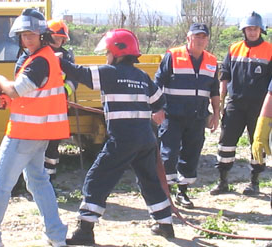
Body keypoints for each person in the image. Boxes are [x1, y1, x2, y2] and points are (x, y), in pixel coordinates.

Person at [59, 28, 174, 245]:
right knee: (149, 180)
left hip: (122, 139)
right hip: (146, 139)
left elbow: (80, 74)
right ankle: (165, 224)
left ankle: (85, 230)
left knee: (97, 179)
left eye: (107, 53)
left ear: (118, 52)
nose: (106, 57)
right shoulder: (142, 76)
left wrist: (59, 62)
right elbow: (158, 102)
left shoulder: (109, 72)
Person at [0, 9, 69, 247]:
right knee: (38, 182)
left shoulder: (39, 60)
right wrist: (8, 97)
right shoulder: (43, 58)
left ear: (41, 35)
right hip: (38, 134)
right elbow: (28, 95)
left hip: (23, 134)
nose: (27, 38)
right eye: (23, 34)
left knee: (0, 185)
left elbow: (16, 89)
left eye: (31, 34)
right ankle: (56, 235)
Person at [154, 23, 220, 209]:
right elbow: (157, 83)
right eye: (196, 36)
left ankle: (182, 192)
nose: (200, 40)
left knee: (191, 156)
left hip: (197, 117)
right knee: (168, 155)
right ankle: (163, 194)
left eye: (203, 37)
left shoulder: (212, 61)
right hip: (172, 116)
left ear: (207, 40)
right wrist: (156, 108)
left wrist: (216, 113)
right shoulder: (173, 56)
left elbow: (214, 90)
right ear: (188, 37)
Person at [210, 12, 272, 196]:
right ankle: (223, 181)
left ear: (261, 30)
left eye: (255, 29)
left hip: (259, 108)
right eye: (249, 29)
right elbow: (225, 75)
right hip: (235, 105)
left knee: (257, 143)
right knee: (226, 143)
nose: (252, 32)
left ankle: (255, 182)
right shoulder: (233, 48)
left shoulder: (270, 50)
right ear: (243, 30)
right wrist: (221, 100)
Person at [44, 19, 78, 180]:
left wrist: (64, 91)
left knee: (53, 145)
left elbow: (73, 80)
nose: (59, 41)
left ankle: (50, 179)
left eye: (61, 38)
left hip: (58, 107)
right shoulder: (40, 54)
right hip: (41, 106)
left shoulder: (65, 57)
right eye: (56, 37)